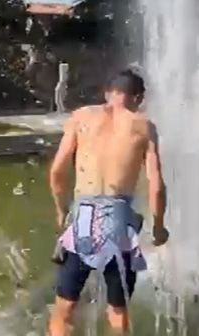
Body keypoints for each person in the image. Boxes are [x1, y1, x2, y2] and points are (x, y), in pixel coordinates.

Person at [48, 69, 169, 336]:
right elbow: (156, 186)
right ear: (139, 98)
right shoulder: (143, 126)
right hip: (119, 225)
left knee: (65, 307)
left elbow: (57, 171)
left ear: (107, 93)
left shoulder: (80, 118)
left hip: (83, 221)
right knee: (118, 310)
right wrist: (158, 227)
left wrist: (61, 211)